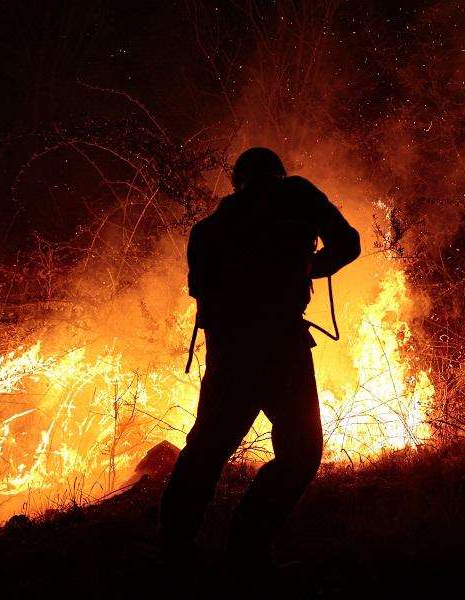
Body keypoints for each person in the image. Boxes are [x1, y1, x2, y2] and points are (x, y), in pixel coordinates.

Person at [159, 147, 360, 569]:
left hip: (231, 352)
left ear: (237, 183)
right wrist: (306, 266)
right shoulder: (298, 195)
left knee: (206, 451)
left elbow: (201, 292)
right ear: (279, 175)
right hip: (281, 347)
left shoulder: (208, 229)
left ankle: (175, 552)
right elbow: (348, 244)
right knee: (300, 455)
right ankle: (245, 550)